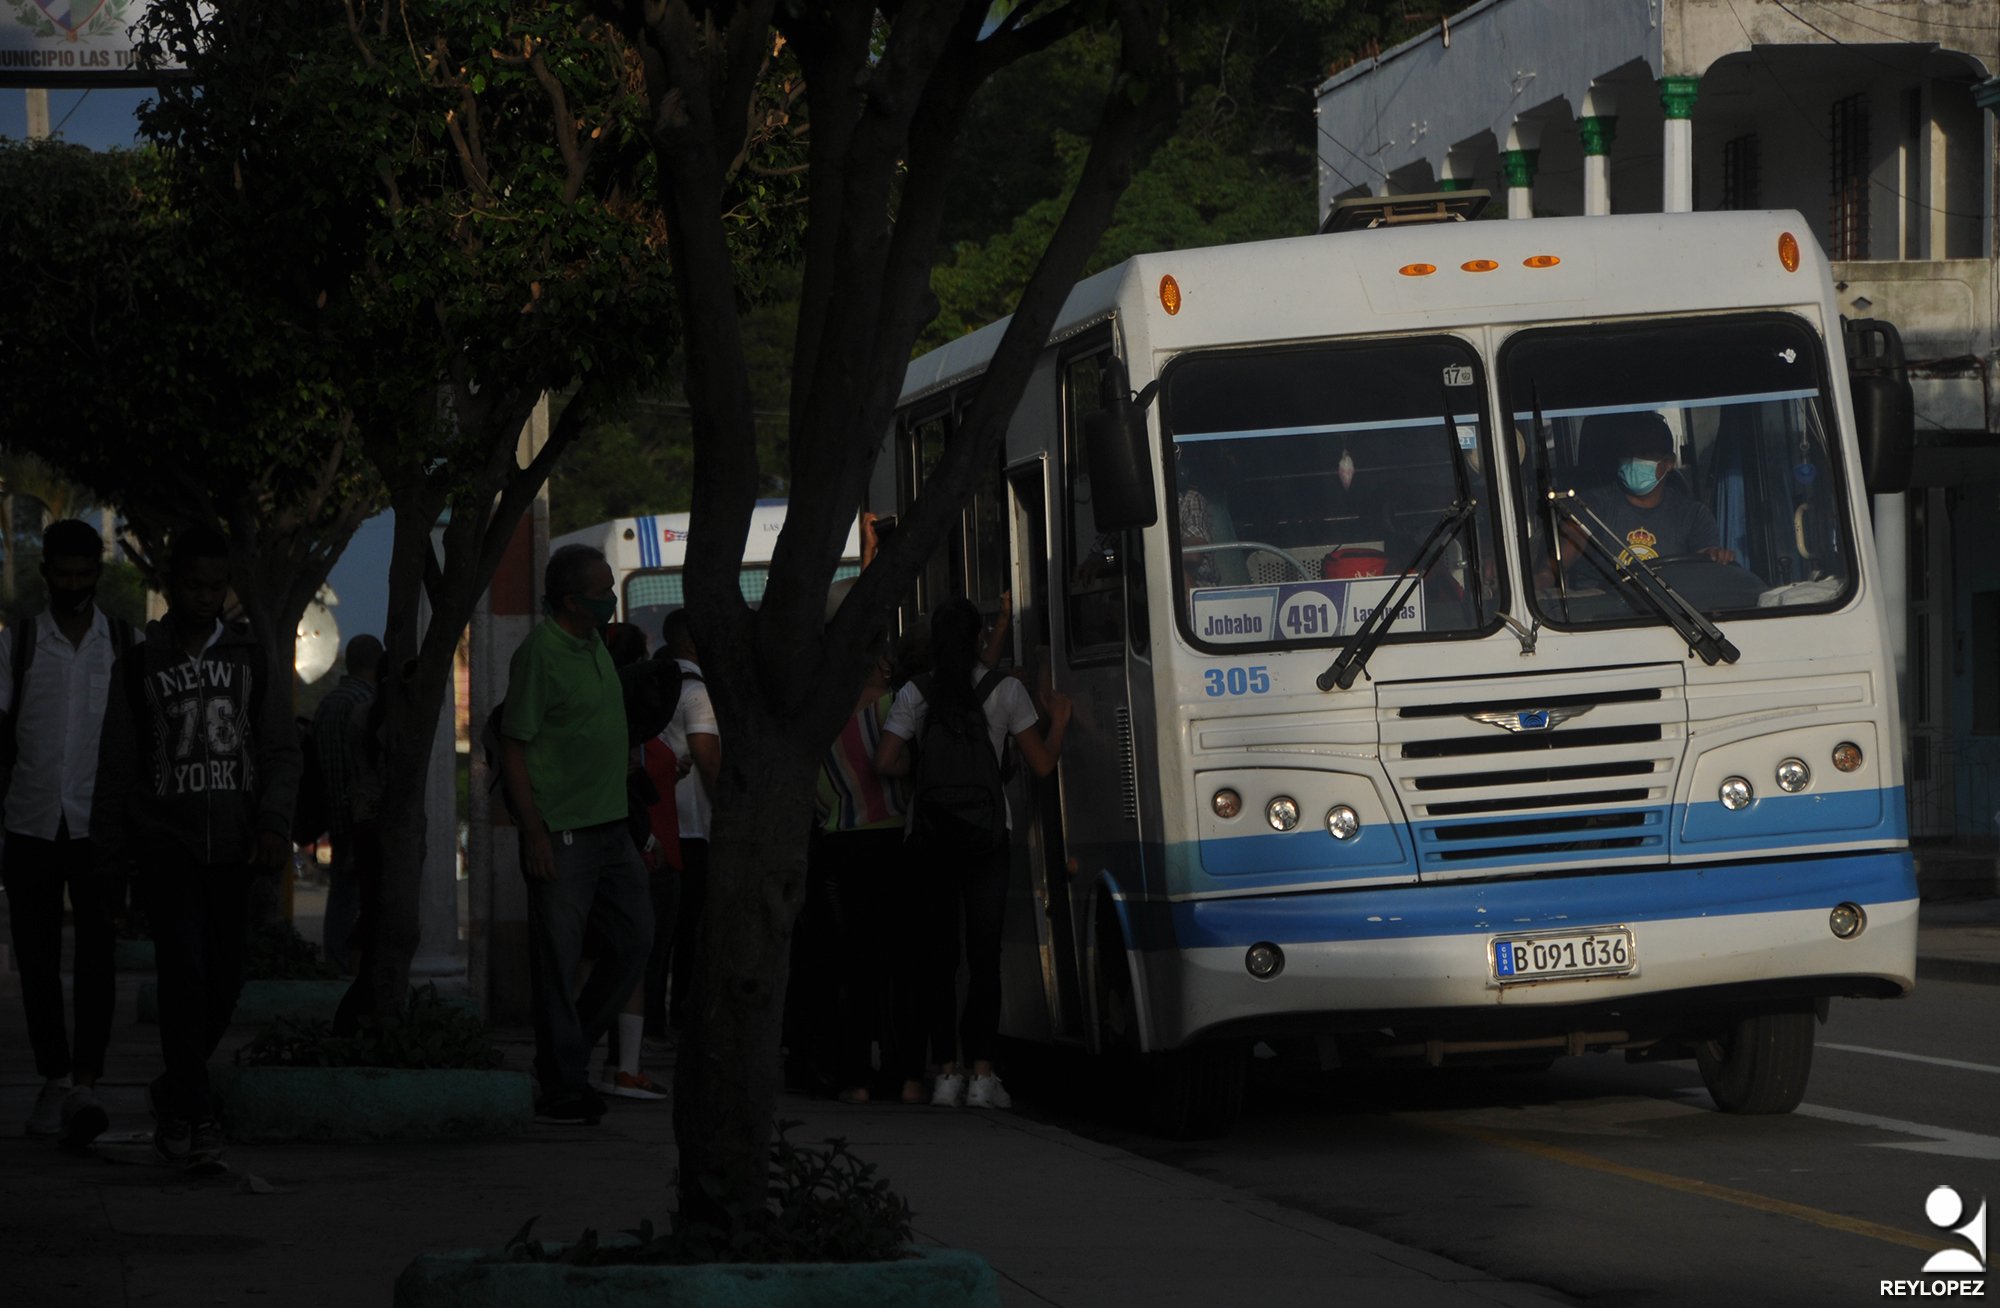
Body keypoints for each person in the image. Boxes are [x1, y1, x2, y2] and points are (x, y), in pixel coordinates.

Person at [93, 526, 302, 1169]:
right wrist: (109, 863)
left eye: (217, 586)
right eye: (193, 585)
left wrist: (272, 823)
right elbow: (117, 767)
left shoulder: (250, 656)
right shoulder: (139, 665)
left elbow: (277, 748)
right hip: (166, 841)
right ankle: (193, 1110)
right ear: (171, 586)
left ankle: (175, 1088)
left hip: (235, 845)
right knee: (182, 969)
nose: (206, 597)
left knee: (225, 979)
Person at [874, 597, 1071, 1110]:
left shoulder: (915, 692)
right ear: (979, 639)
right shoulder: (1005, 690)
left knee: (940, 960)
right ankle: (983, 1075)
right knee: (985, 959)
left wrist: (923, 772)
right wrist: (1061, 721)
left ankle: (945, 1073)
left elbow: (885, 760)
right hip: (987, 840)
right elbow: (1043, 766)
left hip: (931, 837)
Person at [497, 545, 653, 1126]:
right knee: (559, 963)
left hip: (612, 827)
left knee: (635, 940)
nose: (611, 598)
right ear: (570, 599)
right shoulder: (541, 653)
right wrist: (534, 831)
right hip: (563, 832)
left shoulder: (594, 646)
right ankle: (564, 1081)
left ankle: (568, 1053)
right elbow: (514, 746)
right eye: (603, 589)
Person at [0, 519, 135, 1147]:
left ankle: (85, 1080)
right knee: (35, 960)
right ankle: (54, 1077)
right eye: (64, 575)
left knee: (97, 959)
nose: (75, 586)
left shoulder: (125, 646)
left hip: (98, 828)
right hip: (29, 822)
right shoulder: (19, 644)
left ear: (96, 576)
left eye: (85, 576)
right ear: (47, 573)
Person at [812, 641, 909, 1104]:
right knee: (894, 962)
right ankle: (899, 1071)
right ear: (882, 662)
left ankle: (855, 1076)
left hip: (839, 844)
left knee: (850, 965)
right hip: (892, 842)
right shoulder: (898, 706)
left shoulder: (821, 716)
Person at [1570, 411, 1734, 574]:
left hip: (1669, 600)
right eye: (1629, 453)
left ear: (1669, 462)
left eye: (1645, 454)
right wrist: (1546, 575)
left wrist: (1713, 555)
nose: (1634, 460)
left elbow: (1706, 560)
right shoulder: (1591, 506)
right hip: (1605, 599)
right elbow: (1561, 555)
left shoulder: (1693, 515)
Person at [656, 607, 718, 1033]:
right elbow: (706, 756)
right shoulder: (696, 692)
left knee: (660, 932)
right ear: (693, 643)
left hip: (657, 822)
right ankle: (682, 1015)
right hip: (693, 824)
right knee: (690, 930)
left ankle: (651, 1022)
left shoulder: (653, 682)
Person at [310, 634, 383, 973]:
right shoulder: (370, 702)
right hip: (365, 817)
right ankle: (353, 964)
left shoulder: (327, 703)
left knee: (341, 893)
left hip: (334, 816)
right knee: (365, 897)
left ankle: (336, 960)